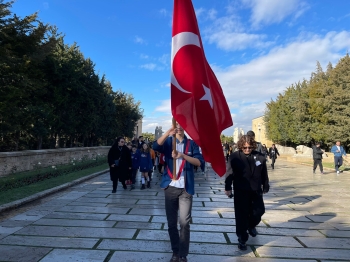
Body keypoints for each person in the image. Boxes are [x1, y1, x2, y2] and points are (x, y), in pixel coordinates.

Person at [153, 122, 204, 262]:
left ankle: (183, 254)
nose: (179, 127)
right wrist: (168, 133)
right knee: (171, 223)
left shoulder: (191, 144)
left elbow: (199, 162)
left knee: (184, 222)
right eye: (177, 125)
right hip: (170, 186)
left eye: (182, 125)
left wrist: (182, 155)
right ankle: (175, 251)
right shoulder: (169, 142)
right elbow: (155, 146)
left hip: (186, 188)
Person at [224, 135, 269, 251]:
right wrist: (228, 187)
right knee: (241, 216)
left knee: (260, 211)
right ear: (241, 146)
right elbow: (229, 173)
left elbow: (264, 173)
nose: (247, 150)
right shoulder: (234, 157)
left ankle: (251, 225)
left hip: (256, 190)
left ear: (253, 146)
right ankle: (242, 239)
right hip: (241, 191)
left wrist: (266, 185)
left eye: (249, 147)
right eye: (245, 148)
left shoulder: (260, 157)